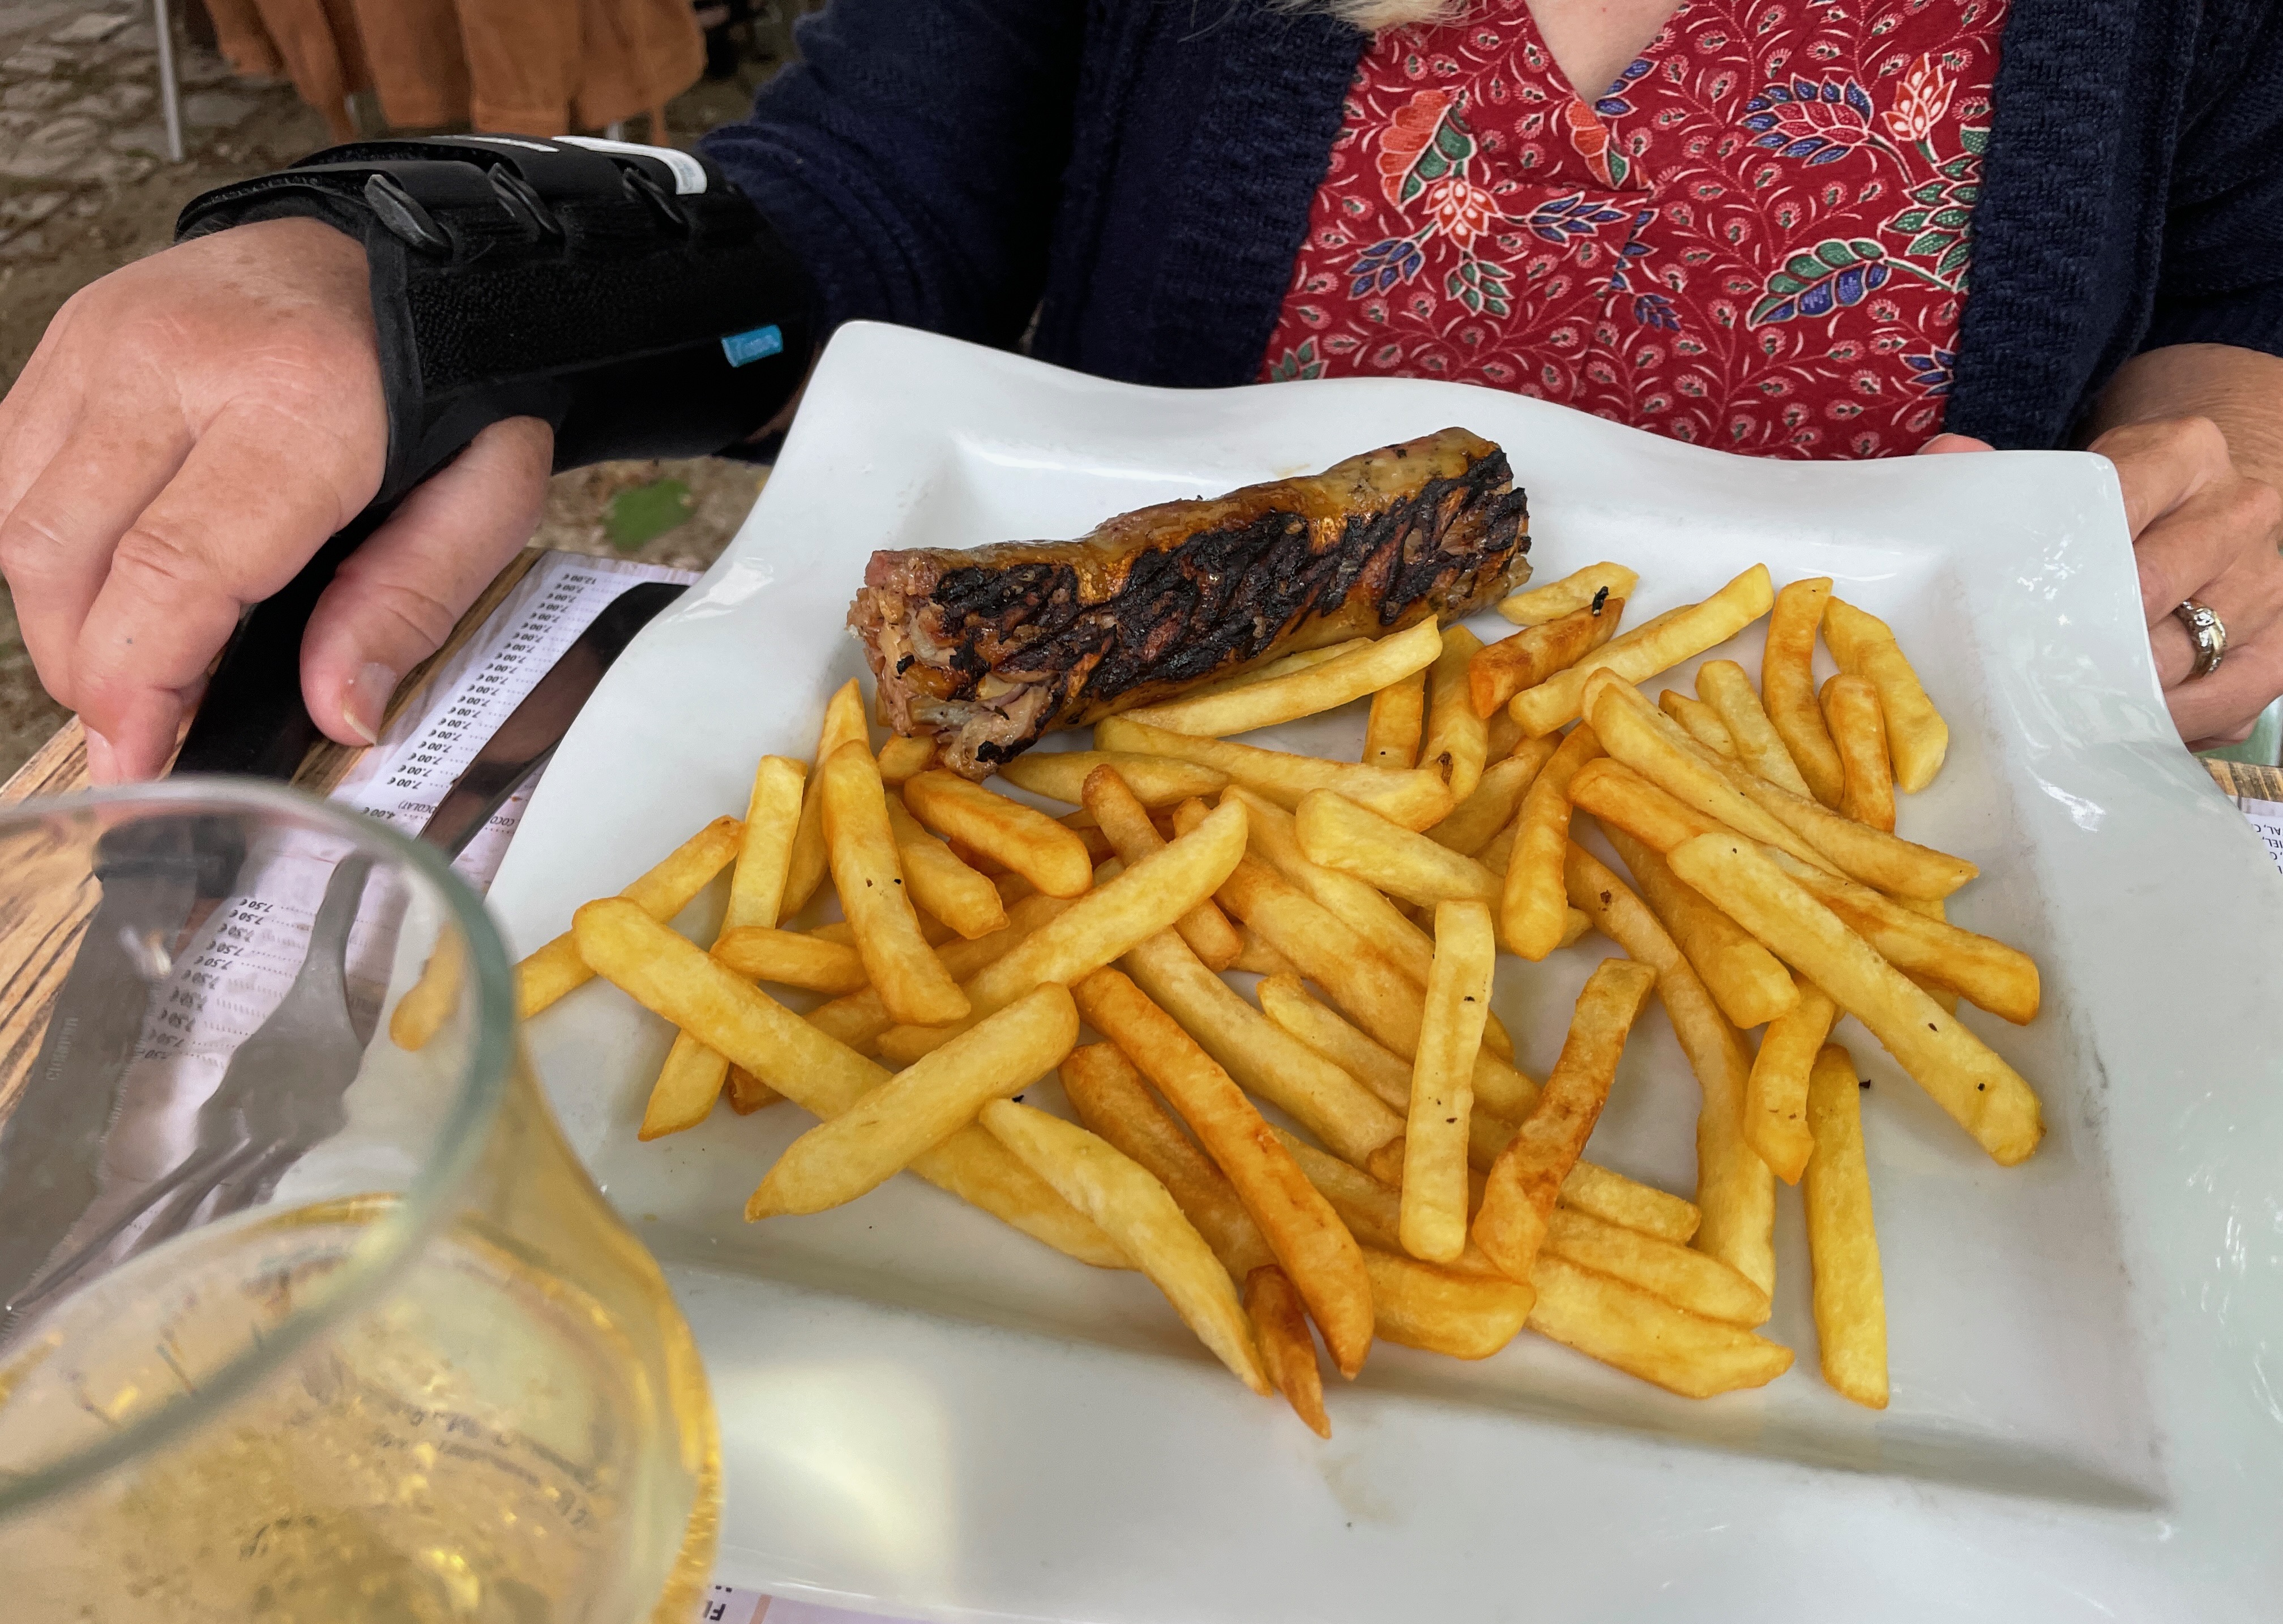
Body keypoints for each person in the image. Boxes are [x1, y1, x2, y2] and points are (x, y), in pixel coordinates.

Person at [2, 0, 2277, 784]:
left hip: (1872, 871)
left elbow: (2245, 280)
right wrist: (425, 282)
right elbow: (860, 210)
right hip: (1117, 859)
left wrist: (2236, 472)